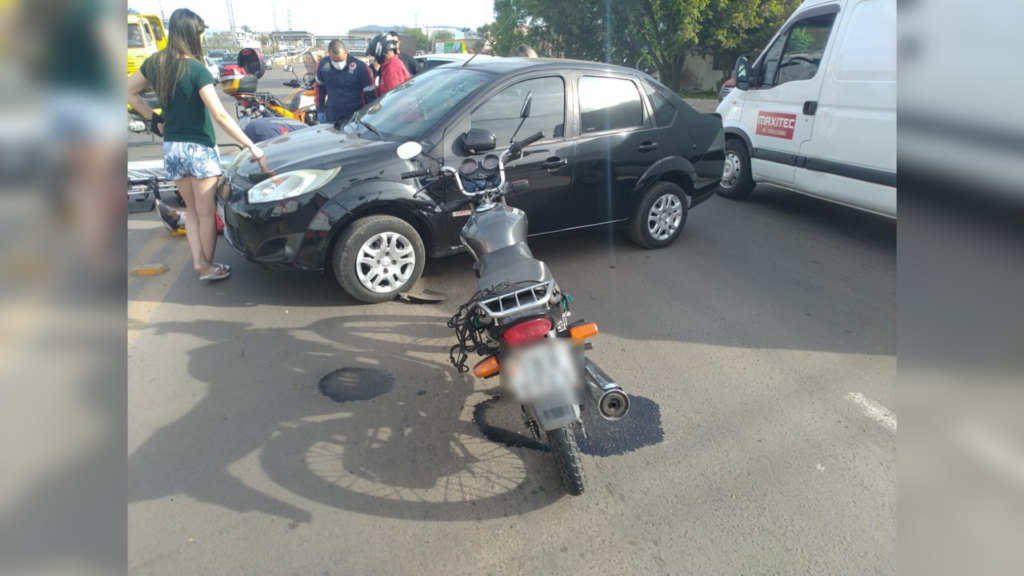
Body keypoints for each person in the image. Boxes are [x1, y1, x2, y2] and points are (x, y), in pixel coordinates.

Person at [127, 8, 264, 282]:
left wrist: (154, 119)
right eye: (200, 34)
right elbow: (221, 115)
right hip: (199, 148)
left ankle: (198, 261)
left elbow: (127, 90)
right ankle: (206, 265)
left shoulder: (155, 63)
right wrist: (251, 145)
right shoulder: (197, 69)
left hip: (172, 148)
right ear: (192, 34)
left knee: (191, 211)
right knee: (205, 213)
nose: (202, 39)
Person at [315, 39, 375, 125]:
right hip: (332, 116)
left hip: (354, 118)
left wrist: (369, 116)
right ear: (329, 54)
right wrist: (320, 110)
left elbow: (371, 94)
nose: (338, 63)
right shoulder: (324, 65)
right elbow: (319, 88)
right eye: (335, 61)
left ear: (346, 52)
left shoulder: (360, 67)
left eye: (341, 60)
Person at [368, 33, 411, 98]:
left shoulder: (393, 68)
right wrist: (372, 88)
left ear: (381, 49)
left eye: (374, 54)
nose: (375, 57)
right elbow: (384, 88)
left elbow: (395, 98)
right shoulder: (390, 65)